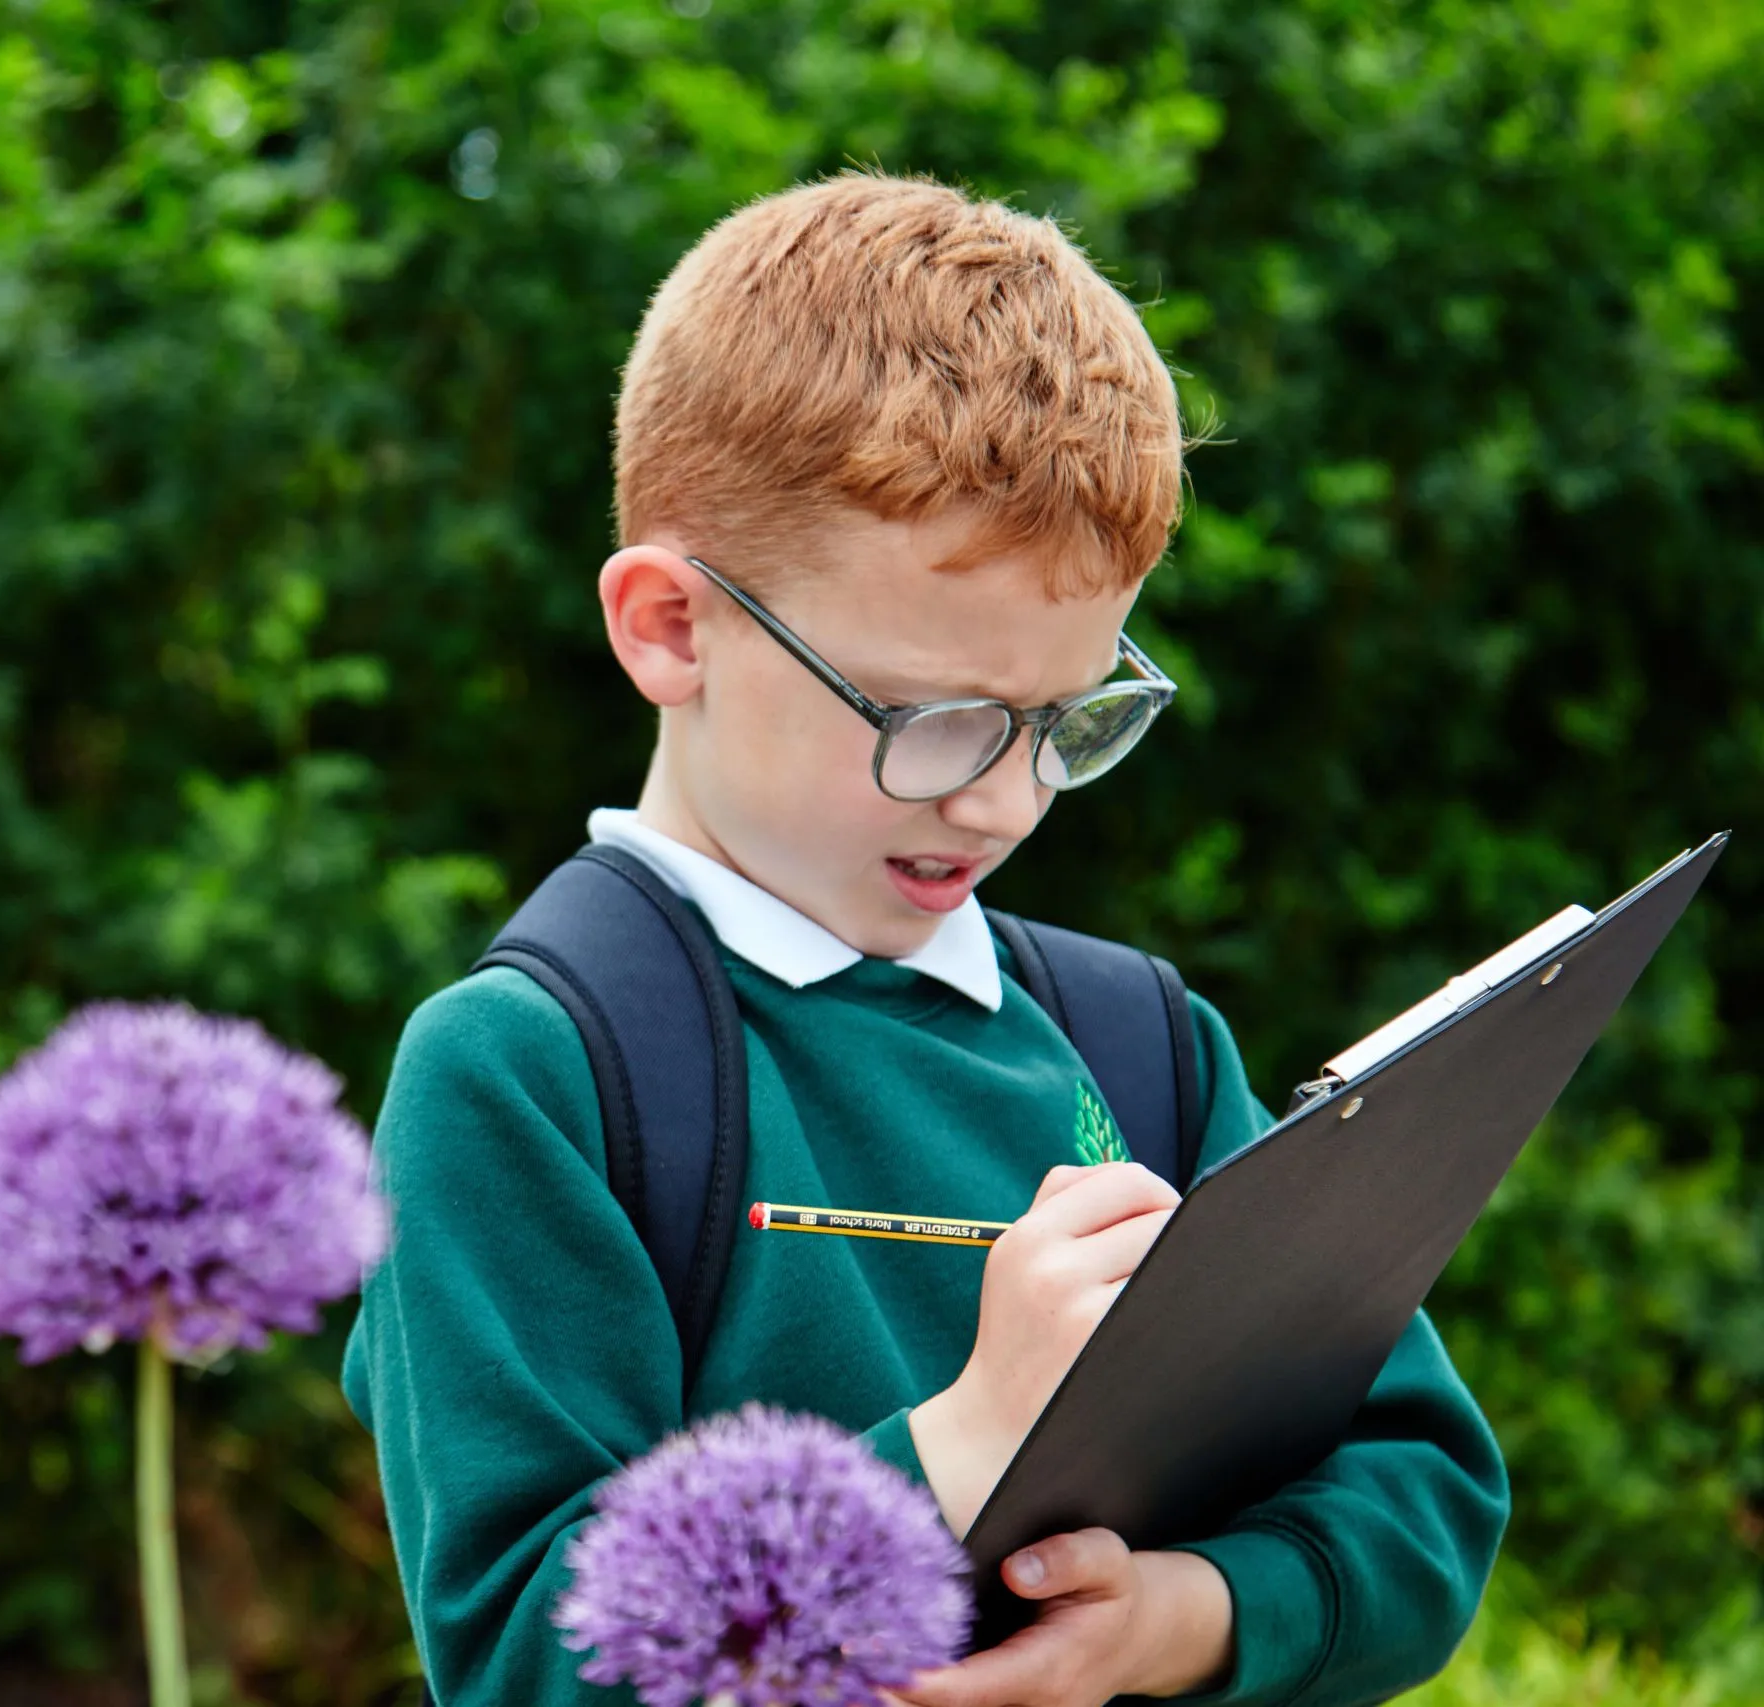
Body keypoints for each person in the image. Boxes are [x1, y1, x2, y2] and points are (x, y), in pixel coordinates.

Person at [339, 171, 1506, 1707]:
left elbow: (1423, 1486)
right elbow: (522, 1664)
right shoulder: (536, 1071)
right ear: (671, 628)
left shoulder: (1138, 1042)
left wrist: (1178, 1618)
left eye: (1065, 718)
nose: (1008, 796)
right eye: (938, 717)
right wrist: (955, 1444)